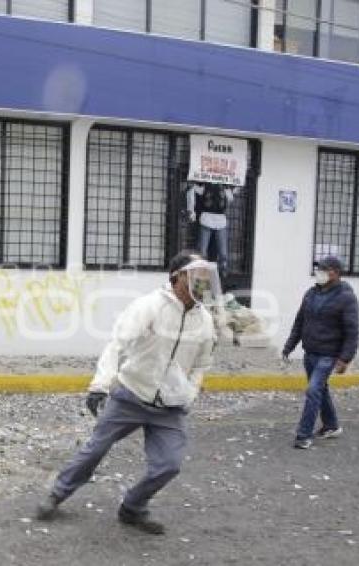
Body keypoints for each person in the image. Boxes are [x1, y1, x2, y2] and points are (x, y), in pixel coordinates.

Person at [35, 251, 217, 535]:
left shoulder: (204, 320)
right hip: (131, 394)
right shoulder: (149, 306)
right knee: (95, 449)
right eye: (196, 274)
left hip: (170, 406)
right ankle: (57, 494)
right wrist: (100, 385)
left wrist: (190, 392)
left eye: (206, 274)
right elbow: (117, 345)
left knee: (169, 465)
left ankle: (132, 508)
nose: (202, 280)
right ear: (178, 276)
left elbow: (201, 364)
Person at [282, 255, 359, 449]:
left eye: (324, 269)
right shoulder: (311, 293)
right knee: (321, 390)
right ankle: (331, 425)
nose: (319, 272)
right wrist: (289, 346)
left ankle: (303, 436)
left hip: (329, 354)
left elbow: (352, 331)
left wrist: (345, 359)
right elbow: (300, 322)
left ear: (335, 272)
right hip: (311, 352)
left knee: (313, 389)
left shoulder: (346, 297)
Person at [186, 182, 238, 275]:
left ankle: (222, 272)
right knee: (202, 251)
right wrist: (191, 210)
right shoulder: (204, 185)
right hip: (206, 218)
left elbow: (231, 197)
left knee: (223, 253)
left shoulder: (225, 187)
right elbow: (192, 190)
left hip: (220, 219)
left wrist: (235, 185)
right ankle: (200, 271)